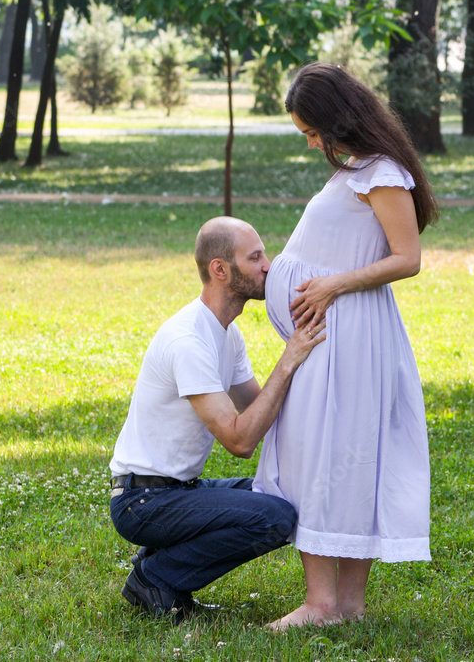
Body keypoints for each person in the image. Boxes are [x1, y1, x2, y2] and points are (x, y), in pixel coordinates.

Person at [252, 62, 440, 630]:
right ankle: (341, 606)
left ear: (336, 119)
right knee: (335, 452)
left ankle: (326, 604)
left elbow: (407, 259)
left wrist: (332, 283)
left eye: (313, 133)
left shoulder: (381, 173)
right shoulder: (358, 169)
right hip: (335, 333)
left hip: (348, 332)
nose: (312, 144)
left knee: (333, 454)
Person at [109, 216, 326, 623]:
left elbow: (261, 409)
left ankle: (160, 562)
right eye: (256, 256)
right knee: (274, 518)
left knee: (281, 495)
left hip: (178, 490)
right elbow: (240, 441)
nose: (268, 265)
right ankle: (155, 576)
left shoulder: (226, 333)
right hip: (143, 501)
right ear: (220, 270)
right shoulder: (188, 341)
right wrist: (289, 358)